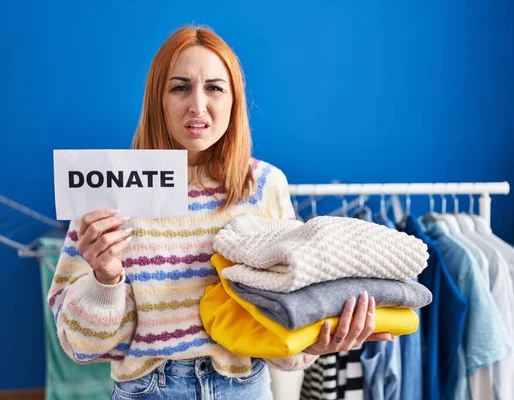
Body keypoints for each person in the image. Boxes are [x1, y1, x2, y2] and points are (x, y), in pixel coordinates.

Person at [48, 25, 393, 399]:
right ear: (156, 99)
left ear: (234, 100)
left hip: (246, 388)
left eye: (214, 87)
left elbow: (283, 324)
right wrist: (106, 278)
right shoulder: (109, 188)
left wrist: (312, 344)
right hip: (150, 390)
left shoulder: (264, 185)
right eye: (180, 87)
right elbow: (80, 346)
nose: (198, 105)